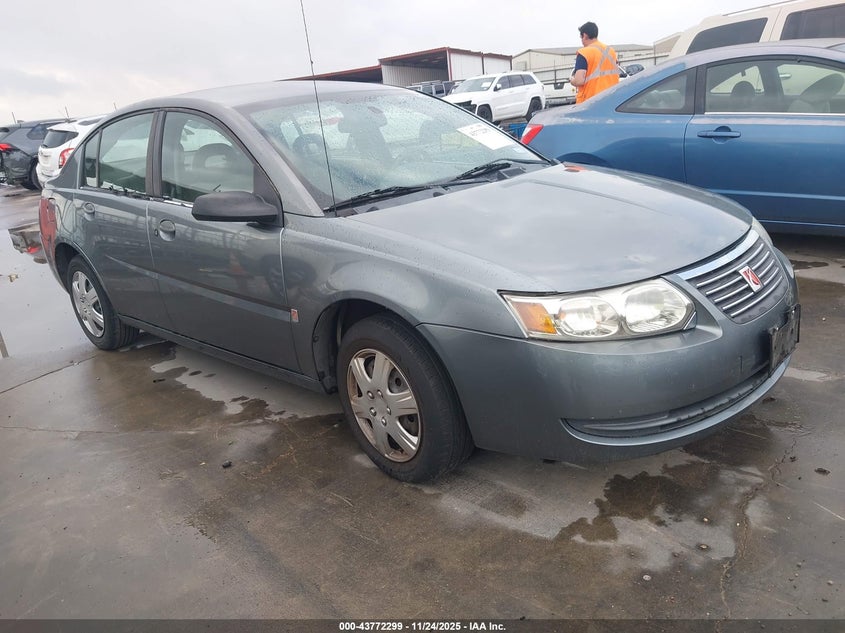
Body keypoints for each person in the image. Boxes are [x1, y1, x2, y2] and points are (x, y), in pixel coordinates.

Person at [570, 21, 619, 104]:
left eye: (581, 38)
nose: (582, 41)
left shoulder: (584, 53)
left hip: (591, 102)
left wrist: (572, 80)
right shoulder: (611, 51)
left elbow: (579, 81)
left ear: (585, 35)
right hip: (612, 100)